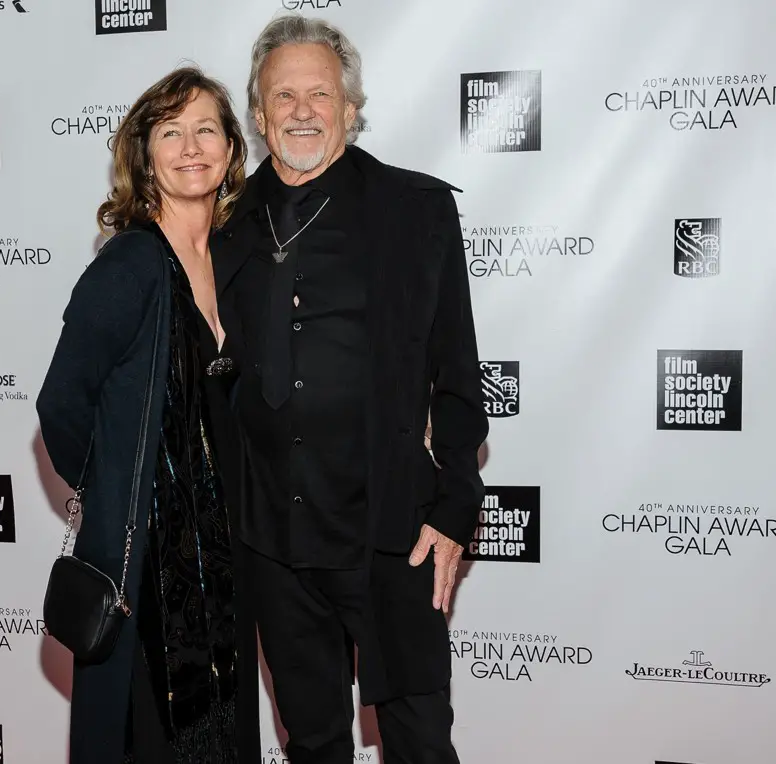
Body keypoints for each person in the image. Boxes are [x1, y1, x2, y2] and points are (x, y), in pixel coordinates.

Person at [213, 15, 489, 764]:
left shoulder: (416, 211)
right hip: (272, 537)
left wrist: (456, 506)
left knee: (420, 742)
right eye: (284, 96)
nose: (303, 111)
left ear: (351, 107)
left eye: (320, 94)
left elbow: (459, 377)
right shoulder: (223, 223)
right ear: (260, 115)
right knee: (315, 743)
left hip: (393, 533)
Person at [36, 67, 259, 764]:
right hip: (146, 573)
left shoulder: (236, 259)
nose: (191, 147)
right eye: (171, 132)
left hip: (225, 563)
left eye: (206, 130)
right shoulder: (130, 264)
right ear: (145, 153)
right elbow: (61, 404)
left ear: (230, 149)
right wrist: (114, 502)